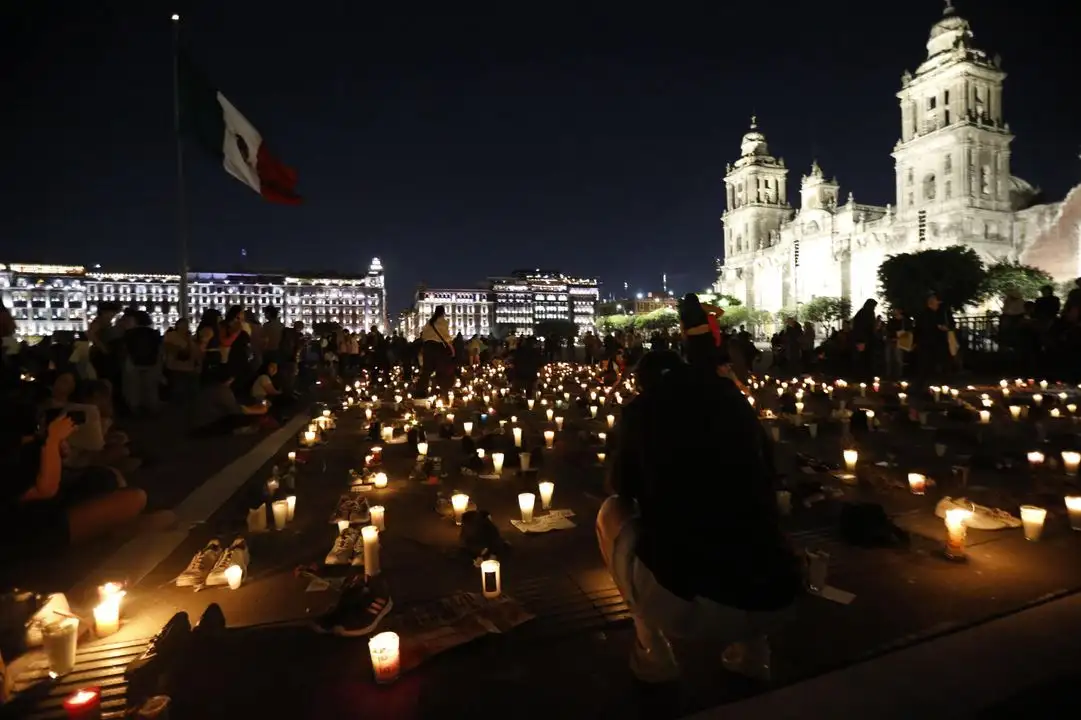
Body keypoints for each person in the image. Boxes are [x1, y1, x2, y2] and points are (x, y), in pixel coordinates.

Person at [596, 351, 801, 683]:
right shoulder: (732, 400)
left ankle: (653, 652)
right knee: (748, 515)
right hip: (778, 595)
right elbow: (771, 465)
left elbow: (621, 487)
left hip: (690, 602)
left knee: (611, 512)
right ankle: (755, 652)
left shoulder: (642, 411)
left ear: (643, 384)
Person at [678, 293, 725, 373]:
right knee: (709, 363)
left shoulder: (683, 311)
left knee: (695, 365)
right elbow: (720, 311)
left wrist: (685, 342)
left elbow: (682, 329)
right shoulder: (702, 306)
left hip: (692, 340)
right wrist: (712, 318)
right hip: (706, 337)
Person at [418, 306, 454, 394]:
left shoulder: (429, 322)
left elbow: (424, 336)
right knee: (441, 370)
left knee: (426, 371)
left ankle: (421, 391)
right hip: (438, 347)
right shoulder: (443, 322)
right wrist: (452, 348)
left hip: (428, 347)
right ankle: (440, 390)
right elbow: (446, 337)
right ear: (443, 313)